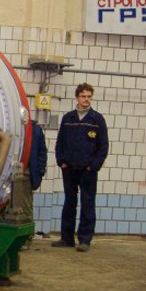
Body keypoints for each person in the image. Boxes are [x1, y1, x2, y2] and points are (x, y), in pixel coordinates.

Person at [52, 83, 109, 252]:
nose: (86, 99)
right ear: (77, 97)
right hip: (69, 168)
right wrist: (61, 162)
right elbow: (60, 143)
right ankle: (67, 239)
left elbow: (103, 146)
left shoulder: (97, 119)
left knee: (87, 204)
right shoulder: (68, 118)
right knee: (69, 203)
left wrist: (94, 166)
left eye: (89, 96)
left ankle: (84, 240)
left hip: (88, 171)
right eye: (83, 96)